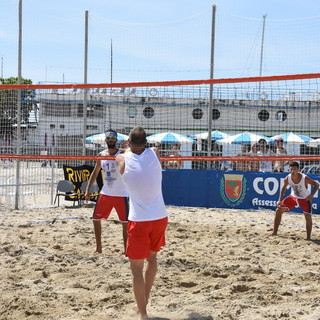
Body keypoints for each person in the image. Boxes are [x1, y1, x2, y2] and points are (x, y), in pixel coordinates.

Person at [116, 126, 168, 320]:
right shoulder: (154, 153)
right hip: (160, 217)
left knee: (136, 270)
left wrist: (126, 149)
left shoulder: (122, 158)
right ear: (146, 142)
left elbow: (121, 159)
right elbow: (153, 149)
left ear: (129, 143)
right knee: (152, 259)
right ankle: (143, 301)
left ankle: (143, 314)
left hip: (139, 220)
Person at [85, 129, 129, 254]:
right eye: (108, 138)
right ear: (105, 140)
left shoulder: (123, 154)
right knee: (95, 219)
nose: (110, 140)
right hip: (106, 193)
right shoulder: (102, 155)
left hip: (121, 193)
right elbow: (95, 172)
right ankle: (99, 248)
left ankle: (126, 250)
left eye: (112, 138)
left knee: (125, 222)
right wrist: (88, 189)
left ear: (116, 140)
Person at [271, 161, 319, 240]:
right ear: (289, 170)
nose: (293, 171)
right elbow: (283, 188)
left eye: (294, 169)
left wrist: (311, 195)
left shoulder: (304, 178)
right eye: (291, 169)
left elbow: (316, 184)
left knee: (308, 216)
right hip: (294, 197)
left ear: (298, 170)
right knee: (278, 210)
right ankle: (274, 233)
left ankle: (308, 237)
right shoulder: (288, 178)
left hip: (305, 198)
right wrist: (279, 200)